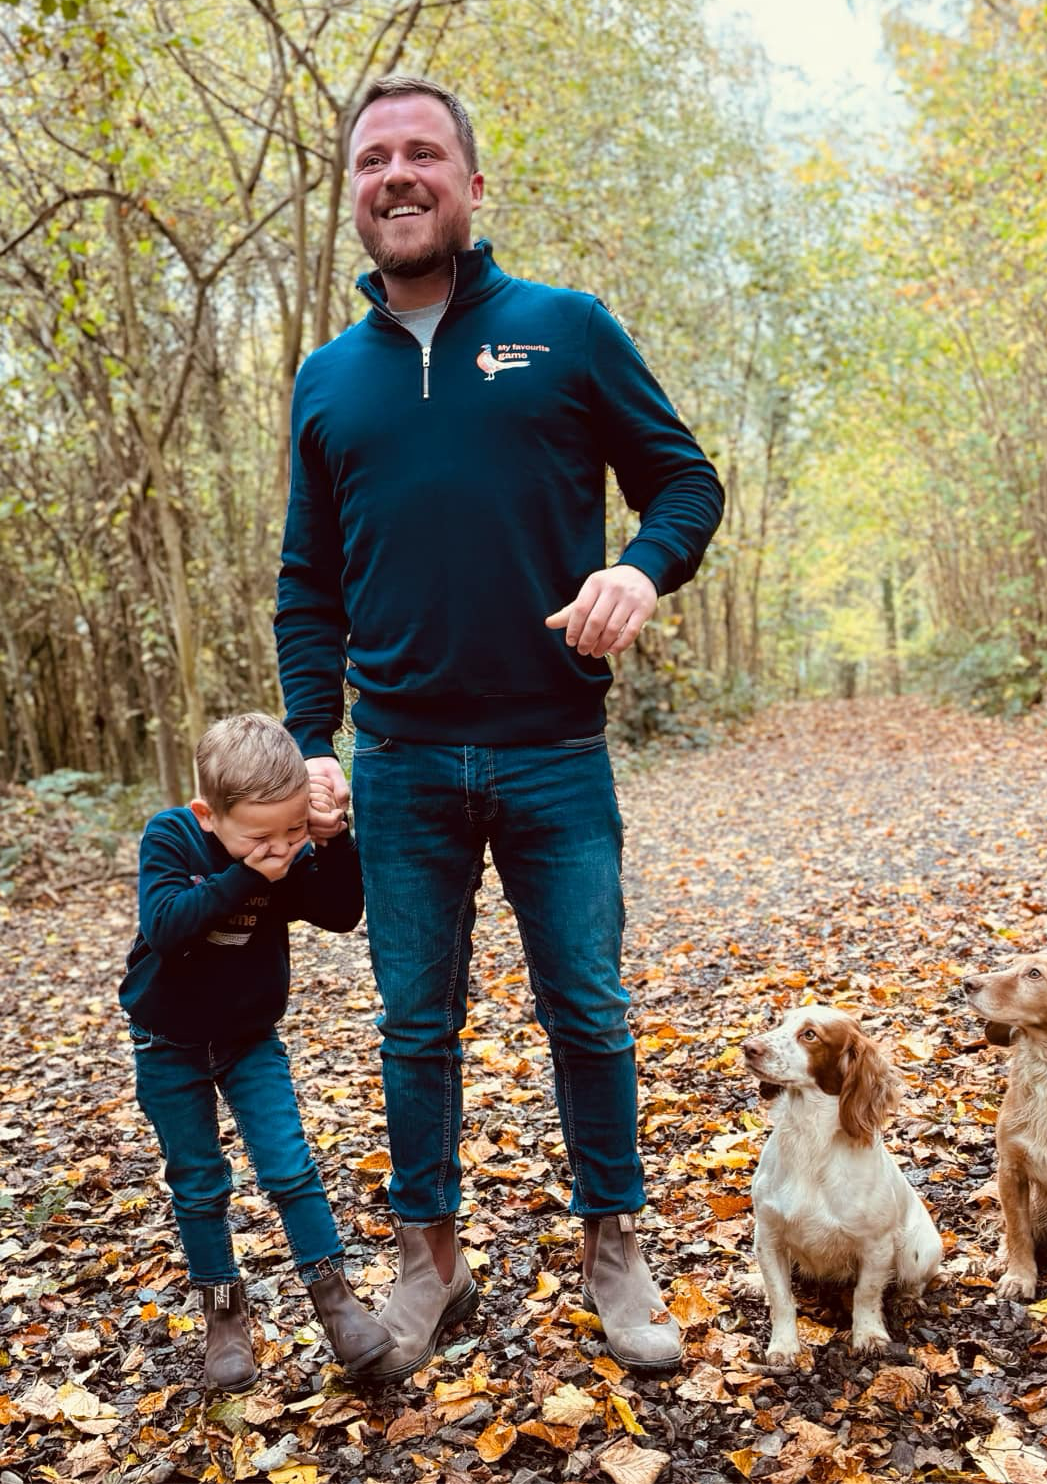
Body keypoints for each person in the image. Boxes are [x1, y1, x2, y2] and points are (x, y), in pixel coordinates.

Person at [275, 75, 723, 1378]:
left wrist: (640, 568)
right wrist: (313, 740)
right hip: (398, 763)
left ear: (473, 185)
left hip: (553, 753)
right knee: (414, 1026)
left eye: (424, 153)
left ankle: (615, 1249)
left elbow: (683, 481)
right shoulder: (326, 379)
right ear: (354, 195)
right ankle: (430, 1263)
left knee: (589, 1011)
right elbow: (309, 584)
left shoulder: (566, 329)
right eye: (374, 159)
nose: (397, 174)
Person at [119, 714, 392, 1391]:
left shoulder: (290, 846)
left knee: (289, 1164)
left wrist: (330, 839)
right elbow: (167, 925)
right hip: (168, 1042)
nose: (280, 848)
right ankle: (224, 1315)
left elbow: (340, 911)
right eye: (261, 836)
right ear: (209, 815)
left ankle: (336, 1301)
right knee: (198, 1181)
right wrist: (247, 875)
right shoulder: (173, 836)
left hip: (249, 1039)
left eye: (293, 830)